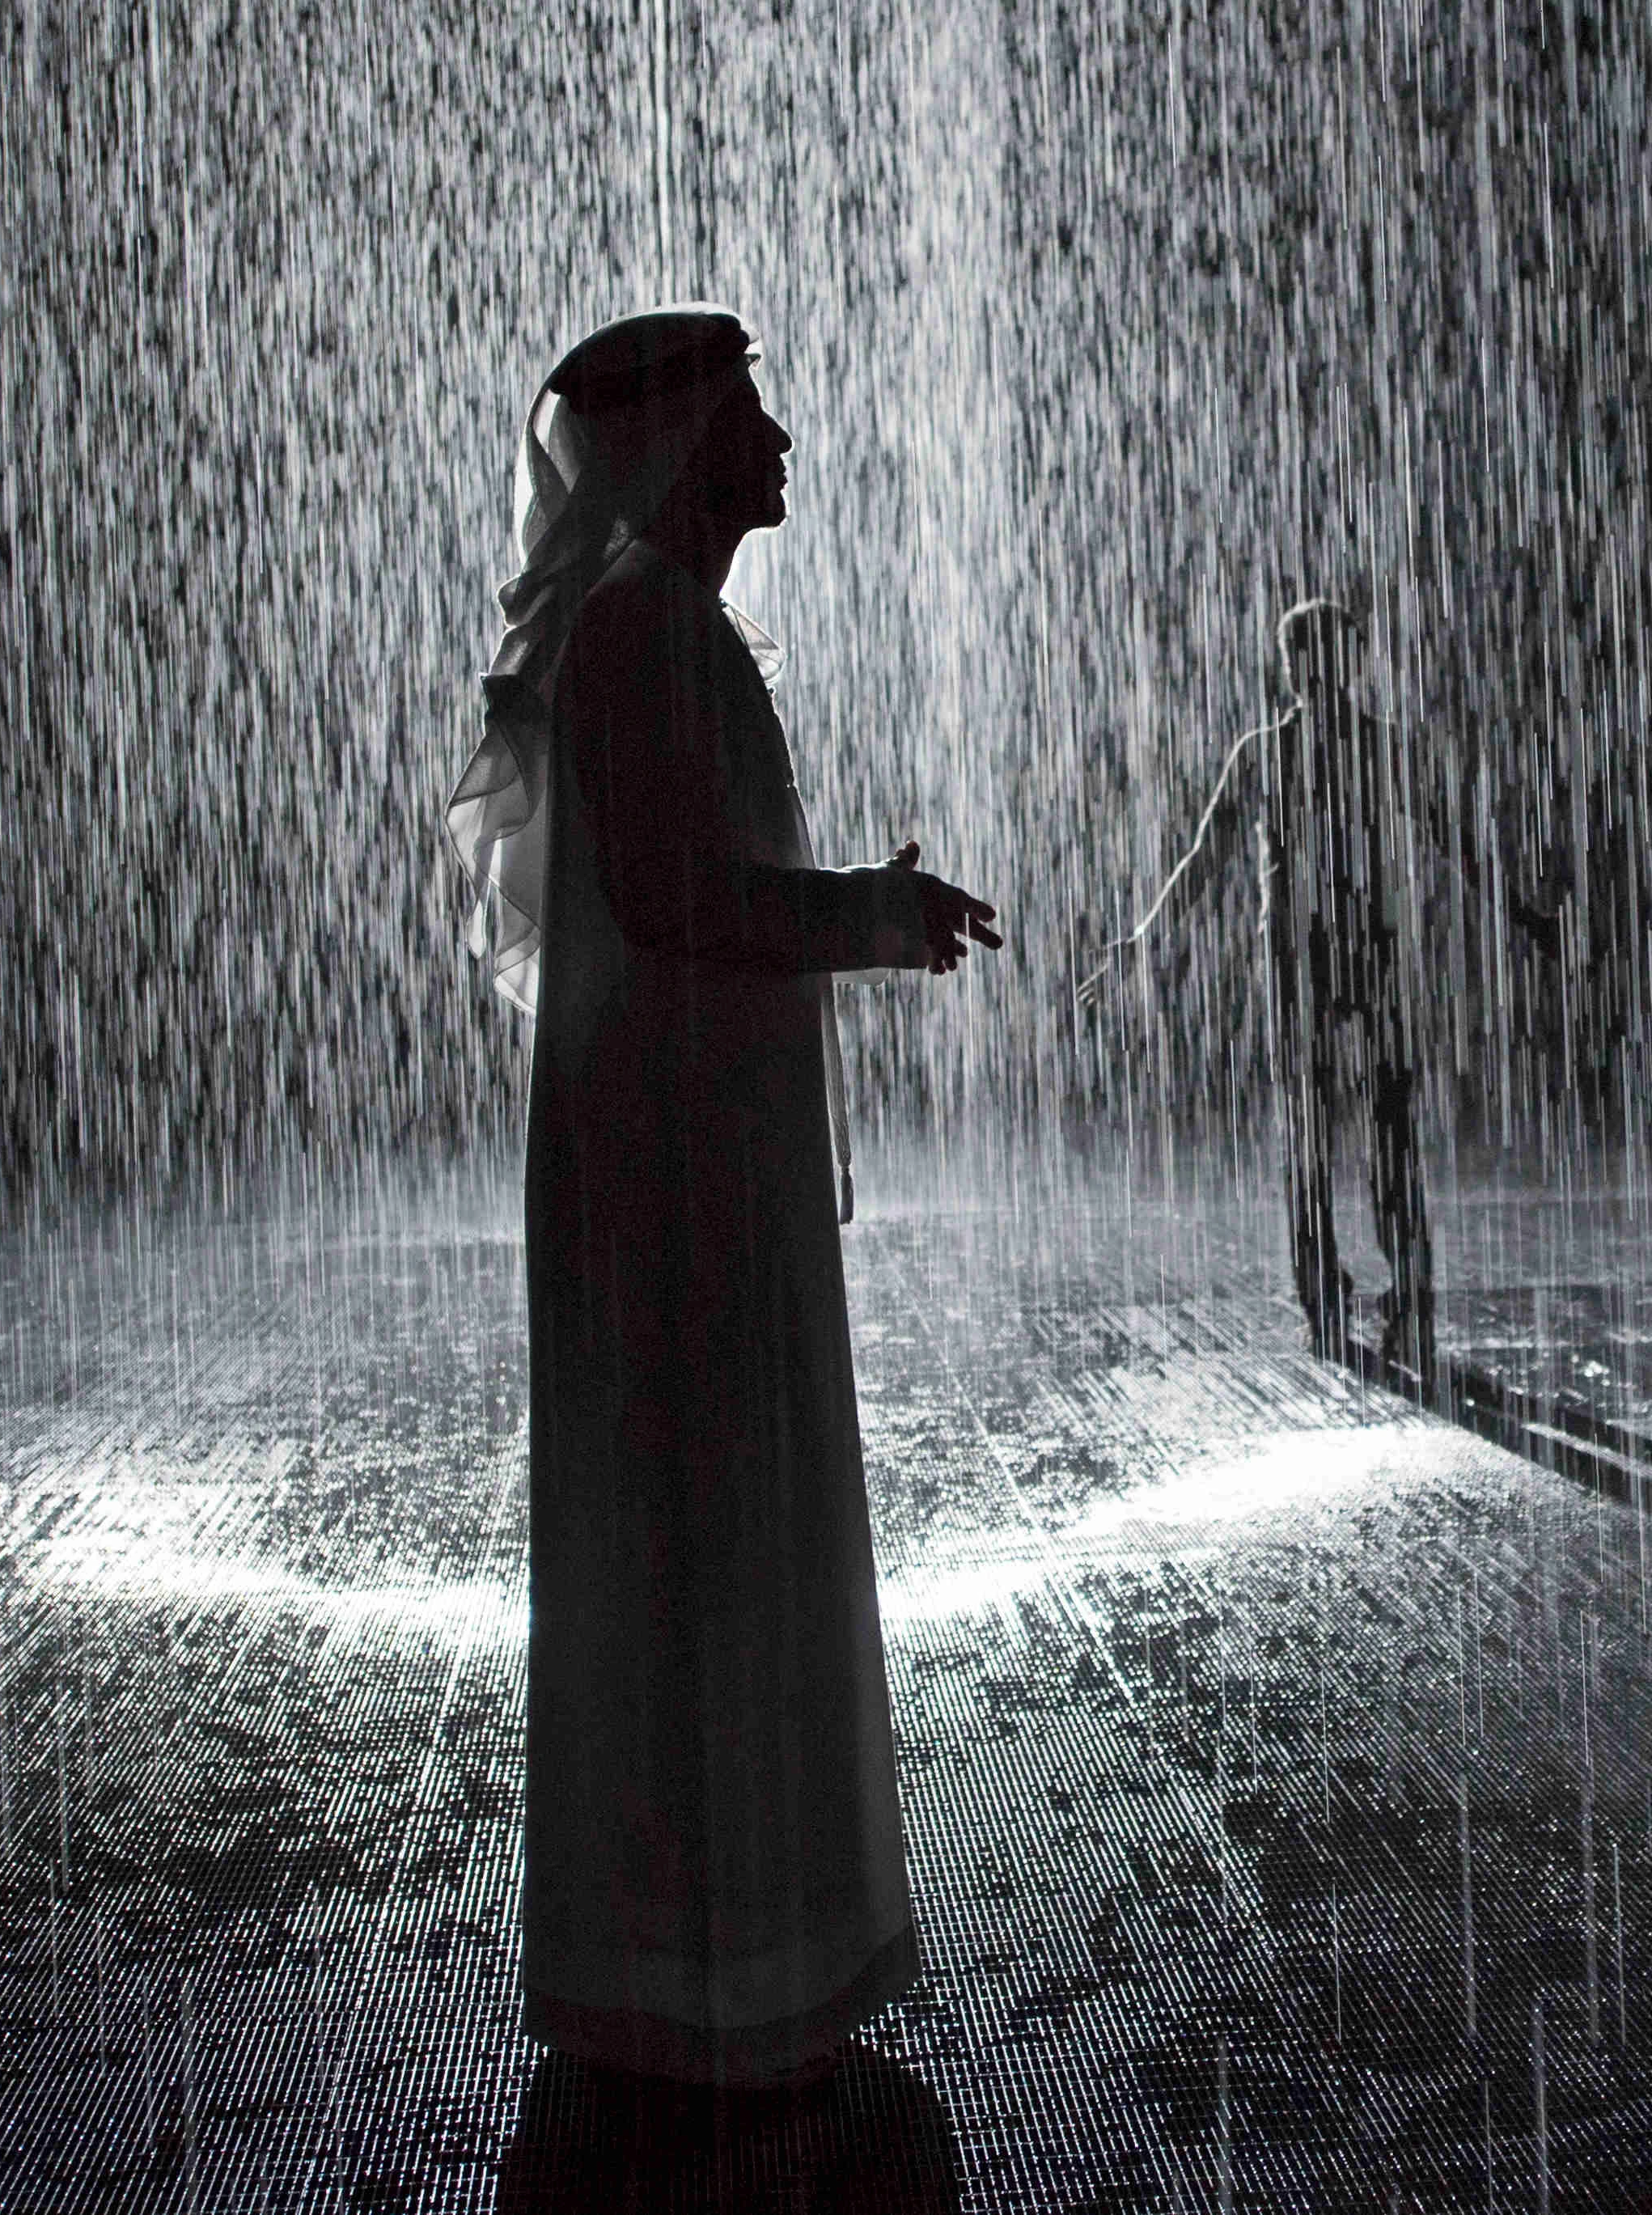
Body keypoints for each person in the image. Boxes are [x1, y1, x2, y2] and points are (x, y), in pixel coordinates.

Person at [443, 304, 1002, 2096]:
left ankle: (709, 1948)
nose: (781, 443)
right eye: (749, 414)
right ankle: (701, 1959)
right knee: (700, 1540)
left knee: (703, 1539)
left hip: (693, 1163)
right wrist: (867, 919)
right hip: (671, 1176)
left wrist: (849, 910)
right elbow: (686, 900)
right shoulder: (636, 634)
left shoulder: (662, 627)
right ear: (680, 442)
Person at [1076, 599, 1569, 1381]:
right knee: (1326, 1138)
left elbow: (1456, 843)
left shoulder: (1365, 751)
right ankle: (1340, 1300)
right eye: (1323, 661)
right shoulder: (1275, 754)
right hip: (1308, 960)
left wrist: (1523, 915)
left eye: (1343, 659)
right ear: (1298, 670)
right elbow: (1205, 862)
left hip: (1353, 957)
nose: (1335, 676)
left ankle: (1395, 1299)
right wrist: (1141, 943)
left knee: (1380, 1138)